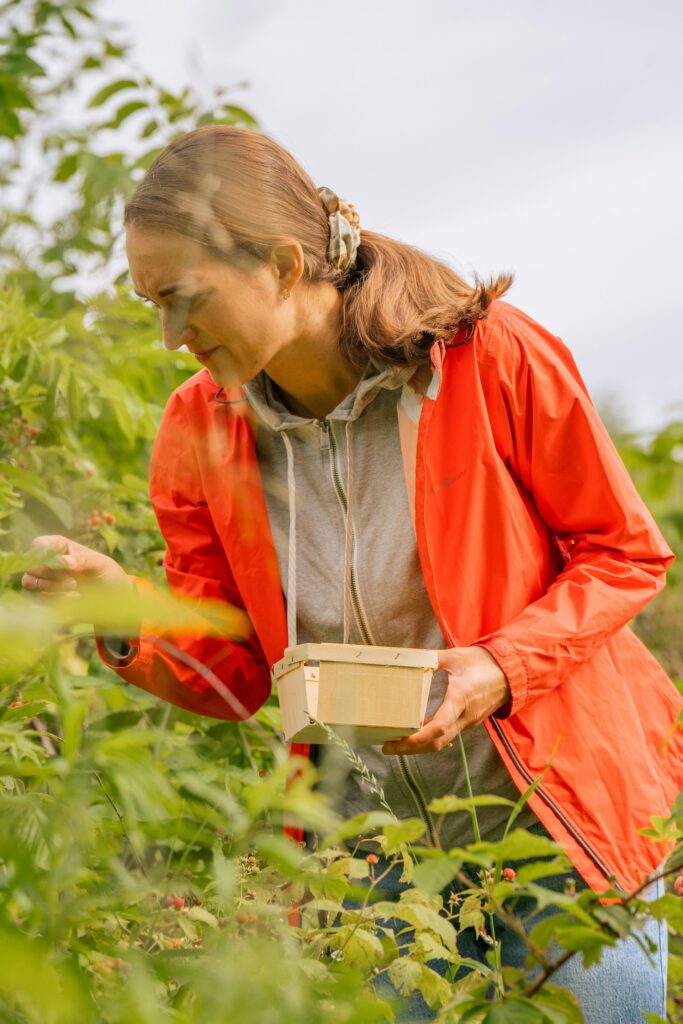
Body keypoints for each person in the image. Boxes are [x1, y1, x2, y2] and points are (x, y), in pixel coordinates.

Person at [23, 125, 682, 1021]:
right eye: (150, 304)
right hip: (377, 864)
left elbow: (624, 551)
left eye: (184, 297)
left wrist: (496, 668)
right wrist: (121, 611)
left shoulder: (485, 360)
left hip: (555, 828)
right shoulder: (199, 431)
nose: (170, 334)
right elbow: (238, 669)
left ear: (287, 266)